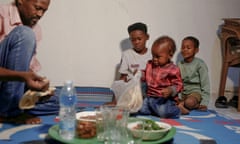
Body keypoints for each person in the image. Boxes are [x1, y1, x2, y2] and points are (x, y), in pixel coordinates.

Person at [0, 0, 56, 124]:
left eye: (44, 11)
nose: (40, 14)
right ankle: (9, 113)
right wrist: (22, 77)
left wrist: (38, 89)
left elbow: (23, 68)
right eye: (37, 8)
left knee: (58, 101)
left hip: (6, 90)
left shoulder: (35, 29)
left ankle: (10, 107)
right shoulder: (1, 15)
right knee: (24, 34)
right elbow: (21, 75)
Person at [106, 22, 152, 105]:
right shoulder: (127, 54)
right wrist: (116, 99)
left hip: (149, 88)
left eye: (139, 39)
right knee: (120, 85)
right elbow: (122, 78)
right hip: (133, 89)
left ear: (147, 37)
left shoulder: (153, 54)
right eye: (133, 40)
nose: (136, 42)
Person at [138, 36, 183, 118]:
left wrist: (170, 90)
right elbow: (144, 75)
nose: (154, 59)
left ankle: (178, 109)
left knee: (163, 112)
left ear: (170, 55)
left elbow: (179, 85)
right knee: (140, 109)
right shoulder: (150, 64)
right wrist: (139, 75)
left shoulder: (173, 69)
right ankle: (153, 109)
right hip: (149, 97)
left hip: (164, 99)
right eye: (153, 56)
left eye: (158, 57)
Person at [177, 36, 210, 115]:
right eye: (183, 47)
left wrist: (204, 102)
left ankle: (187, 105)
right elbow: (178, 82)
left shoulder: (200, 64)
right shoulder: (179, 64)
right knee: (168, 99)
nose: (185, 50)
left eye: (188, 48)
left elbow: (205, 84)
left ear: (196, 50)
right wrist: (177, 96)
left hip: (194, 93)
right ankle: (181, 104)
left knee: (189, 102)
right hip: (183, 93)